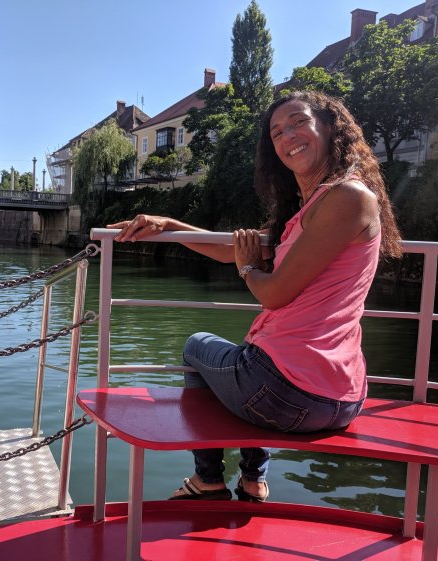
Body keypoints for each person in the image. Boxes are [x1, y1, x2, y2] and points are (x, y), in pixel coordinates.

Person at [107, 91, 402, 502]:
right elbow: (229, 249)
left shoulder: (347, 197)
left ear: (329, 127)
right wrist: (169, 224)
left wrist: (249, 269)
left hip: (289, 395)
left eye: (298, 122)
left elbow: (274, 293)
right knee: (245, 358)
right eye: (277, 132)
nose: (287, 136)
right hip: (340, 396)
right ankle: (252, 481)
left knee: (197, 347)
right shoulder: (311, 209)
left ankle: (208, 479)